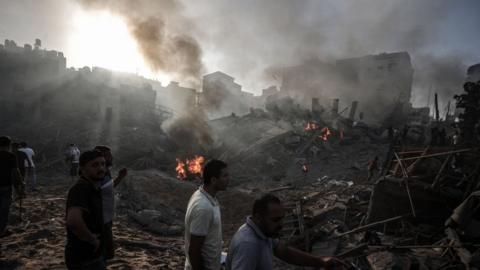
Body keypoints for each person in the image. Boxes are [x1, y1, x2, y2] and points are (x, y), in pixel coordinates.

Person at [225, 194, 342, 270]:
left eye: (282, 218)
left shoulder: (263, 232)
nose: (281, 224)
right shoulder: (248, 245)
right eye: (275, 220)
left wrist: (321, 262)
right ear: (258, 218)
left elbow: (284, 252)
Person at [65, 150, 107, 270]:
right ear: (82, 168)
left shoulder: (92, 187)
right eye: (95, 165)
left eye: (103, 164)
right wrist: (93, 240)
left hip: (92, 256)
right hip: (85, 258)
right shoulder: (81, 189)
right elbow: (73, 221)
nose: (101, 168)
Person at [184, 159, 230, 270]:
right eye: (225, 176)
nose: (229, 179)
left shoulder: (205, 195)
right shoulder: (203, 207)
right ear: (214, 180)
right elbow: (194, 251)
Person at [94, 145, 128, 261]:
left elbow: (109, 187)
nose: (111, 158)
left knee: (106, 252)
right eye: (108, 156)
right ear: (101, 157)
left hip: (106, 218)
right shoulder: (96, 173)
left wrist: (120, 177)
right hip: (100, 219)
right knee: (103, 252)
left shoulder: (105, 171)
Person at [0, 136, 24, 237]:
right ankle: (1, 231)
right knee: (4, 210)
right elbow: (15, 172)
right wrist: (19, 185)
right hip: (5, 186)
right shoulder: (11, 156)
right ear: (9, 145)